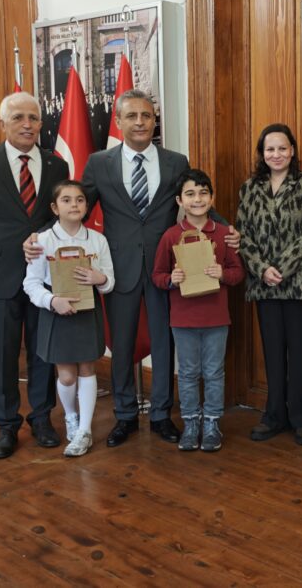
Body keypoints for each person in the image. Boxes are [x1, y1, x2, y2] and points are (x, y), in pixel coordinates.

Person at [24, 89, 238, 448]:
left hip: (166, 268)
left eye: (147, 116)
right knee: (120, 344)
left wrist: (228, 229)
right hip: (117, 267)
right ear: (119, 121)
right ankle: (124, 415)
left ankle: (160, 415)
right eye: (132, 116)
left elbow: (194, 201)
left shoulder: (174, 160)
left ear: (155, 122)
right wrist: (41, 235)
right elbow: (74, 207)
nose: (140, 122)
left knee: (163, 341)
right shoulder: (99, 163)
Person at [0, 91, 69, 459]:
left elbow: (59, 219)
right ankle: (6, 426)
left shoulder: (56, 166)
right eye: (18, 117)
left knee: (43, 352)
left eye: (33, 118)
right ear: (2, 123)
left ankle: (41, 419)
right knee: (3, 356)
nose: (27, 124)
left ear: (41, 122)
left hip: (45, 275)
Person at [236, 123, 302, 446]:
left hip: (299, 283)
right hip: (264, 285)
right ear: (262, 153)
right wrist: (262, 269)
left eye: (282, 148)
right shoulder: (249, 188)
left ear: (293, 151)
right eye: (270, 149)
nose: (276, 154)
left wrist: (282, 268)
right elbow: (242, 234)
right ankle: (274, 415)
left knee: (299, 353)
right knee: (272, 352)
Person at [152, 169, 244, 452]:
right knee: (189, 373)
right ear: (179, 200)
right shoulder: (170, 236)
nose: (197, 199)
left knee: (214, 372)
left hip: (216, 318)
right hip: (183, 319)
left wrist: (222, 274)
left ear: (212, 197)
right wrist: (171, 280)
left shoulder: (224, 234)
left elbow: (237, 272)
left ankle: (212, 422)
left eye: (203, 193)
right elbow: (157, 275)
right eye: (190, 194)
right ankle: (191, 422)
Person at [22, 180, 115, 457]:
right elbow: (31, 283)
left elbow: (109, 281)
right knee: (66, 374)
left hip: (88, 312)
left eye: (79, 200)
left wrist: (101, 279)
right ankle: (71, 417)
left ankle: (84, 430)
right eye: (66, 200)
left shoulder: (98, 240)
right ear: (54, 206)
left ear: (87, 206)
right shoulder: (42, 240)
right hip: (58, 311)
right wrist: (53, 301)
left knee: (88, 369)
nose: (74, 205)